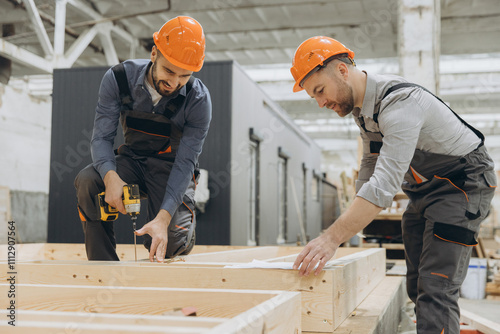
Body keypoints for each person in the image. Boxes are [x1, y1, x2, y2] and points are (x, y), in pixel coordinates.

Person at [290, 36, 496, 333]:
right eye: (314, 98)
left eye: (320, 91)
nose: (321, 103)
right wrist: (347, 226)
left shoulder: (399, 105)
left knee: (436, 286)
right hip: (426, 191)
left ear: (342, 71)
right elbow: (369, 169)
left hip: (462, 187)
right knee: (416, 282)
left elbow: (382, 187)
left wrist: (331, 238)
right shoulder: (365, 113)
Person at [74, 16, 211, 263]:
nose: (174, 83)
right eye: (169, 70)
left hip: (171, 169)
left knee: (167, 244)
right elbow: (101, 138)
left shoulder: (198, 99)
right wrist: (111, 177)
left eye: (184, 76)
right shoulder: (118, 79)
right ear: (154, 53)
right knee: (88, 181)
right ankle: (104, 268)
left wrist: (164, 217)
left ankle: (178, 232)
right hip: (133, 160)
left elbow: (185, 162)